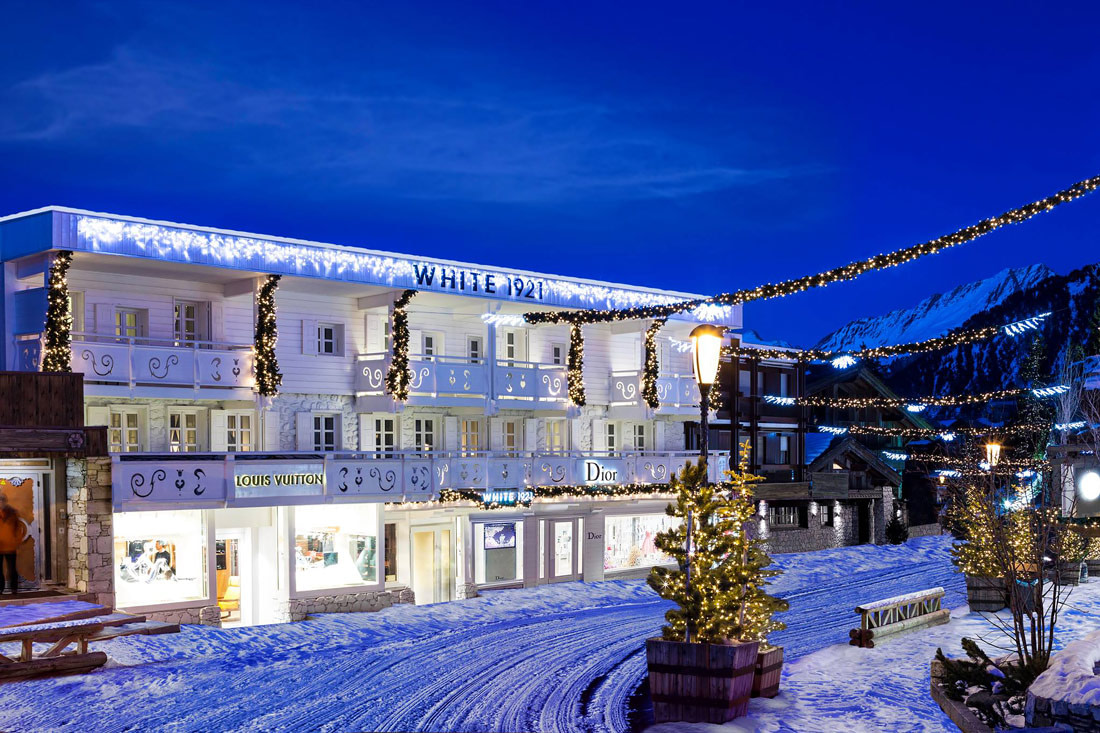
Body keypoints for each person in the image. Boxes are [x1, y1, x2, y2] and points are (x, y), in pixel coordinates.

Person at [0, 493, 27, 595]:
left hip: (10, 546)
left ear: (5, 501)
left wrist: (17, 541)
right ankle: (0, 589)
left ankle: (14, 589)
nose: (1, 502)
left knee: (12, 569)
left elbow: (18, 528)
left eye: (2, 500)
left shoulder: (13, 513)